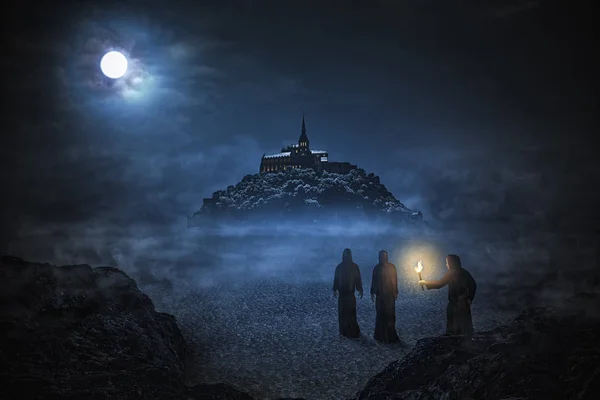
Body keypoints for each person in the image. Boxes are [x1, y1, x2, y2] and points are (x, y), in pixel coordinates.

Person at [419, 254, 477, 335]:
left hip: (455, 303)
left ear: (451, 263)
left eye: (447, 262)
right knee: (464, 323)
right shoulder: (465, 272)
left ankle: (454, 339)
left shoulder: (451, 273)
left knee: (454, 323)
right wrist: (470, 298)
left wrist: (425, 283)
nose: (446, 264)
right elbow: (473, 285)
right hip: (464, 303)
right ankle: (465, 338)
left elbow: (439, 284)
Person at [370, 250, 400, 343]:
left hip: (389, 296)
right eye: (381, 256)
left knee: (389, 315)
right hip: (381, 295)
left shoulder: (391, 267)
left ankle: (389, 335)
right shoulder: (377, 268)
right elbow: (374, 281)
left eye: (383, 256)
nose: (382, 258)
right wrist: (372, 292)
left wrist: (395, 291)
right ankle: (381, 335)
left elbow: (394, 280)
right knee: (381, 315)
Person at [333, 248, 364, 338]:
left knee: (350, 312)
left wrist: (360, 289)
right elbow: (336, 279)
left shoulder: (354, 267)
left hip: (350, 294)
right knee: (343, 312)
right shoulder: (339, 267)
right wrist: (335, 289)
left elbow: (358, 279)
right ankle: (344, 330)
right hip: (343, 295)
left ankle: (351, 329)